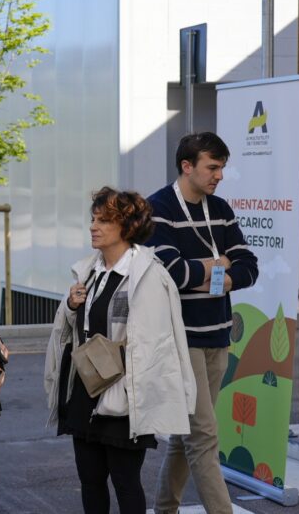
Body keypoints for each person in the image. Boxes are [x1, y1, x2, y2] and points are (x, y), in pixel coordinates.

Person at [44, 187, 197, 514]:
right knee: (90, 481)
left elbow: (155, 343)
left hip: (126, 397)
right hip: (87, 390)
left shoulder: (148, 276)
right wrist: (71, 305)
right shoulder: (90, 272)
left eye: (103, 221)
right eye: (93, 219)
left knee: (126, 483)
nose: (93, 227)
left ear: (127, 227)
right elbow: (74, 331)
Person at [147, 133, 259, 514]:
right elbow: (173, 273)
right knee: (204, 435)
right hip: (182, 340)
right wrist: (220, 263)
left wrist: (216, 275)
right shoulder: (159, 209)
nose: (219, 175)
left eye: (222, 168)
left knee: (188, 434)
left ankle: (165, 508)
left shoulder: (221, 209)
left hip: (218, 336)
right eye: (213, 167)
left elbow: (249, 267)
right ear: (187, 166)